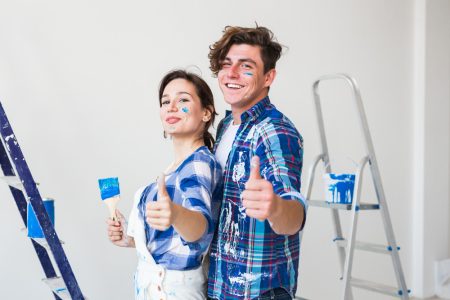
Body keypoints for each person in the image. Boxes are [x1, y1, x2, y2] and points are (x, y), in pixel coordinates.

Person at [207, 26, 307, 300]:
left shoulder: (274, 130)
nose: (232, 73)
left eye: (246, 66)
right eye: (226, 65)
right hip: (221, 286)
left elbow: (294, 212)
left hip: (259, 293)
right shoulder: (226, 126)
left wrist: (274, 206)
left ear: (268, 77)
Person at [107, 70, 223, 300]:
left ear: (206, 113)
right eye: (165, 101)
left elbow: (201, 230)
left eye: (183, 100)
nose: (171, 106)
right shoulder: (178, 167)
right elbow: (175, 241)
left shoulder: (197, 164)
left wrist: (177, 214)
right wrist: (132, 239)